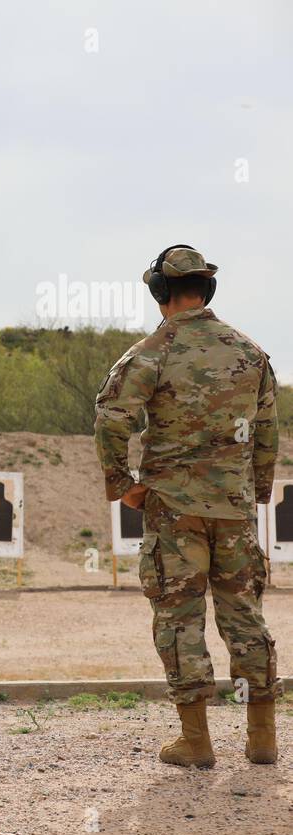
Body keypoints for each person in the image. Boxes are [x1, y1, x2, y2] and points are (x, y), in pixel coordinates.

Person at [95, 244, 281, 768]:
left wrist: (122, 484)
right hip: (234, 509)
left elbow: (111, 418)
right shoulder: (251, 353)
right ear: (208, 289)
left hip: (174, 510)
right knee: (245, 615)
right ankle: (261, 736)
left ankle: (196, 741)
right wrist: (256, 493)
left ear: (160, 292)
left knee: (179, 618)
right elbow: (266, 432)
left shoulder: (152, 351)